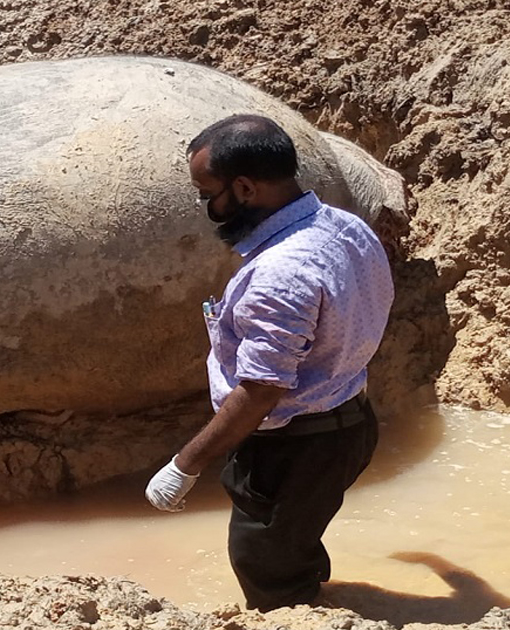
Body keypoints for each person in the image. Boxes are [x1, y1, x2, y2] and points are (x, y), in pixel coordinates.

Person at [144, 114, 394, 611]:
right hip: (348, 421)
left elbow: (261, 391)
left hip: (295, 448)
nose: (207, 208)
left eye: (207, 195)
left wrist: (184, 466)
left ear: (243, 188)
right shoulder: (345, 227)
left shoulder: (281, 272)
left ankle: (301, 612)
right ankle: (321, 599)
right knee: (291, 542)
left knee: (265, 568)